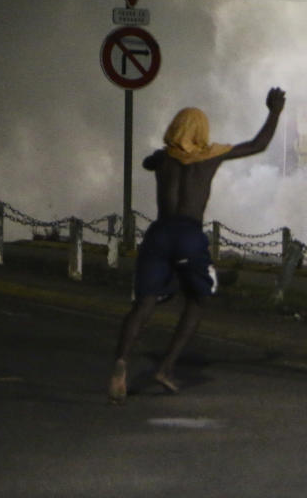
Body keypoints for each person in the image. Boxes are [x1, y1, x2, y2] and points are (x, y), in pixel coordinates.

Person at [108, 87, 286, 404]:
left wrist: (160, 155)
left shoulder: (164, 159)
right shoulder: (211, 156)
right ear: (203, 131)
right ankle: (166, 367)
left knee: (143, 304)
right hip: (188, 235)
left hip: (159, 234)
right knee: (197, 300)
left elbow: (149, 162)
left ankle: (121, 363)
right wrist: (274, 111)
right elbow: (258, 144)